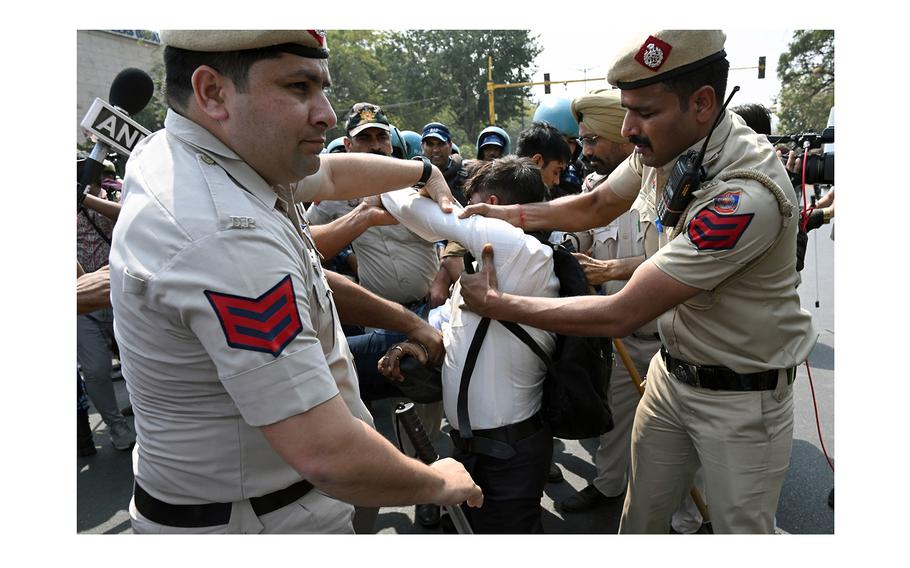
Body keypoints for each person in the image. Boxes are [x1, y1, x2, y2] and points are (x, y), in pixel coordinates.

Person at [109, 30, 481, 534]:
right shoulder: (224, 236)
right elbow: (325, 453)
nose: (326, 112)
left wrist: (419, 170)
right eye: (299, 87)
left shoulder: (203, 150)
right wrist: (439, 482)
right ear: (213, 91)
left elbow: (327, 175)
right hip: (260, 520)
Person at [458, 29, 817, 534]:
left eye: (643, 111)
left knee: (741, 532)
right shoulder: (672, 145)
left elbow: (621, 312)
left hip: (741, 401)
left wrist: (498, 303)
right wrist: (512, 214)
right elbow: (599, 203)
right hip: (671, 379)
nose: (628, 128)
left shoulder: (745, 197)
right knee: (641, 520)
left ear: (702, 103)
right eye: (627, 109)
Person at [379, 156, 559, 533]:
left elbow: (402, 203)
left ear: (490, 205)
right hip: (476, 448)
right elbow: (448, 320)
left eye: (469, 202)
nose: (462, 212)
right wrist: (418, 344)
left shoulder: (520, 249)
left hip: (509, 454)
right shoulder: (485, 266)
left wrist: (422, 177)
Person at [306, 102, 446, 528]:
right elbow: (306, 245)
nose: (374, 144)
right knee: (387, 401)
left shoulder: (415, 184)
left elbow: (457, 226)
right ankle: (391, 480)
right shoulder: (332, 195)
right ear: (347, 145)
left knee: (427, 401)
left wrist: (445, 275)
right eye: (364, 138)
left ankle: (426, 484)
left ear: (393, 143)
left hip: (429, 307)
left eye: (381, 136)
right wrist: (360, 216)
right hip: (379, 314)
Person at [76, 156, 135, 452]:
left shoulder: (113, 193)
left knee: (139, 360)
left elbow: (130, 217)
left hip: (120, 294)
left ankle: (144, 409)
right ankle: (116, 427)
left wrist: (84, 199)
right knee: (96, 370)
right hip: (83, 305)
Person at [421, 121, 469, 205]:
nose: (436, 150)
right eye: (430, 144)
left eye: (441, 144)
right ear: (422, 147)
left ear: (450, 145)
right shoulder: (416, 177)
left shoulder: (468, 175)